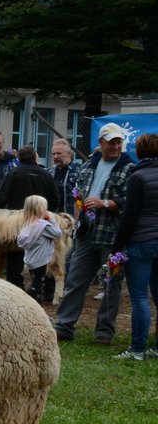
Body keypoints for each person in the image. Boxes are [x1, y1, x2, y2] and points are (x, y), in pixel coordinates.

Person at [53, 123, 134, 344]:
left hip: (113, 237)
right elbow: (78, 194)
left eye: (119, 142)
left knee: (111, 285)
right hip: (87, 235)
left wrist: (105, 203)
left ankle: (104, 332)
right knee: (75, 281)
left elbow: (131, 202)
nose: (116, 146)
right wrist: (80, 215)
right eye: (111, 142)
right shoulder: (89, 165)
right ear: (101, 143)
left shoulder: (129, 168)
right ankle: (64, 326)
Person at [0, 144, 63, 288]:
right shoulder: (46, 174)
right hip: (42, 222)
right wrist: (46, 214)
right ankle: (46, 289)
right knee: (46, 255)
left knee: (15, 254)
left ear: (19, 158)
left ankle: (16, 285)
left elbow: (2, 196)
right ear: (35, 157)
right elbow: (55, 199)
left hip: (16, 224)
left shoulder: (13, 174)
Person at [111, 132, 158, 360]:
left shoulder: (137, 178)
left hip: (141, 241)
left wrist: (116, 247)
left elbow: (129, 216)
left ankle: (138, 348)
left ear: (139, 152)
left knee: (139, 297)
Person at [45, 139, 79, 301]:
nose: (56, 157)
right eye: (54, 154)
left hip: (72, 221)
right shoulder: (50, 172)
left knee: (70, 256)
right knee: (52, 255)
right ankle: (51, 288)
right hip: (53, 222)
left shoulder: (78, 171)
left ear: (69, 154)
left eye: (59, 153)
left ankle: (69, 290)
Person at [16, 195, 62, 304]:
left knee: (38, 283)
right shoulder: (43, 226)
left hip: (31, 261)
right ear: (41, 209)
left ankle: (38, 304)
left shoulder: (28, 224)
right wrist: (51, 219)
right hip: (41, 261)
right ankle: (24, 302)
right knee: (37, 286)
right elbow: (58, 233)